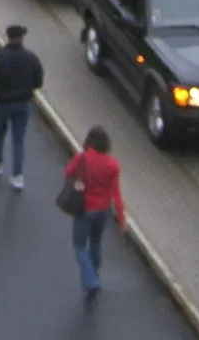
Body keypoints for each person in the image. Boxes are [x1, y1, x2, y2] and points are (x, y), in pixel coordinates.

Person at [67, 125, 126, 302]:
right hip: (103, 210)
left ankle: (91, 281)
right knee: (96, 241)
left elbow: (68, 172)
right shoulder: (113, 165)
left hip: (85, 208)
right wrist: (121, 218)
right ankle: (95, 274)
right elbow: (116, 193)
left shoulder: (82, 158)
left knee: (79, 245)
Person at [0, 24, 44, 188]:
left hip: (3, 103)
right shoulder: (31, 58)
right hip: (23, 103)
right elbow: (38, 81)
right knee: (19, 139)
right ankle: (17, 176)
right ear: (22, 38)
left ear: (8, 37)